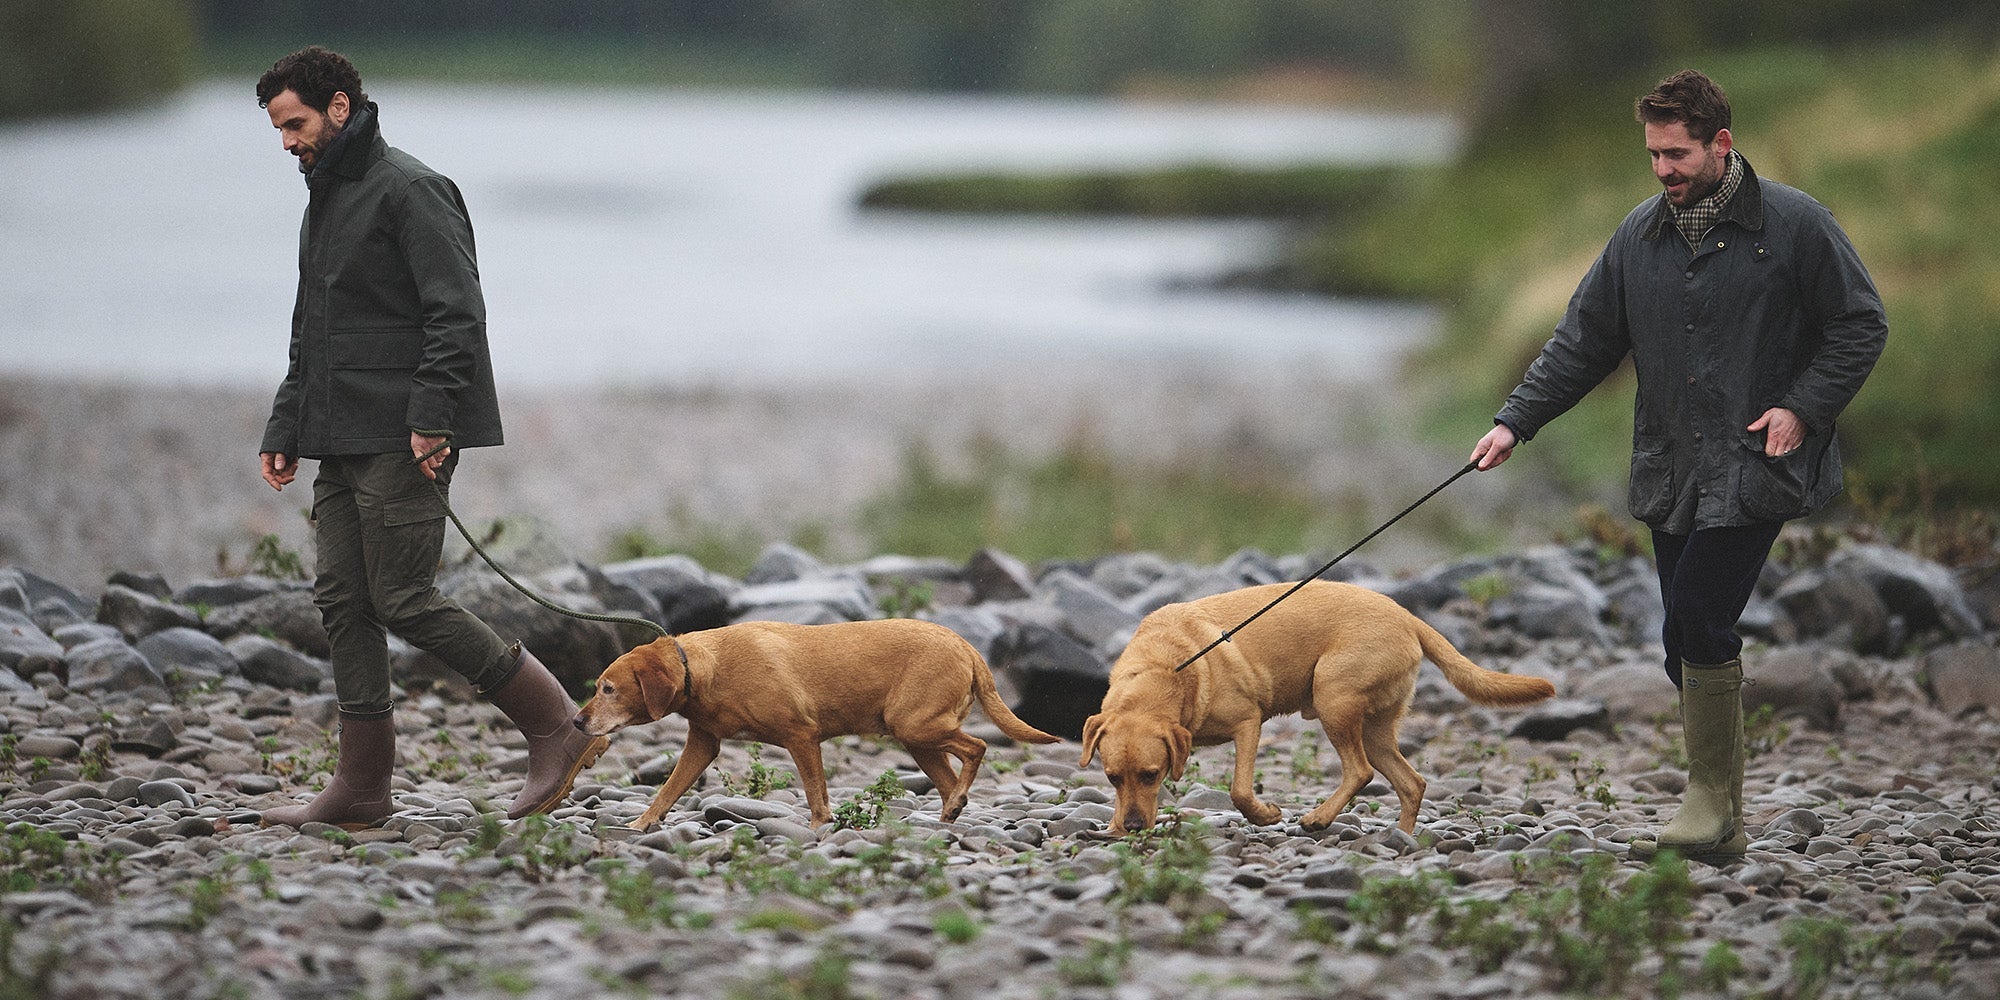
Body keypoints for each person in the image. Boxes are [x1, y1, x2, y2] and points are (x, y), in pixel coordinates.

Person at [1468, 70, 1886, 861]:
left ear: (1721, 145)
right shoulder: (1639, 235)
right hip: (1672, 466)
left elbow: (1860, 326)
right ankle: (1724, 816)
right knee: (1679, 641)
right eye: (1654, 155)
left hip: (1759, 460)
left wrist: (1803, 406)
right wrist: (1514, 422)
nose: (1663, 169)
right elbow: (1584, 340)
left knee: (1699, 612)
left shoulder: (1796, 225)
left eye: (1677, 154)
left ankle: (1708, 804)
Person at [253, 46, 605, 828]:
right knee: (343, 600)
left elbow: (458, 315)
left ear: (339, 106)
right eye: (278, 130)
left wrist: (434, 418)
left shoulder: (412, 190)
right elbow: (311, 330)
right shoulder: (326, 197)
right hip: (340, 434)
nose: (287, 143)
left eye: (295, 124)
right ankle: (363, 786)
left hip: (407, 434)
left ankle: (556, 727)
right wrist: (287, 422)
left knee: (404, 597)